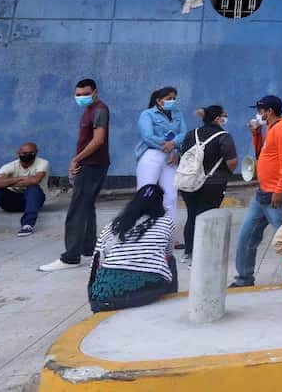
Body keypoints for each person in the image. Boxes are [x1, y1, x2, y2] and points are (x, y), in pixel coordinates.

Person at [40, 78, 111, 272]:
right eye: (78, 94)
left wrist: (76, 159)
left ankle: (71, 257)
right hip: (90, 163)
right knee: (87, 207)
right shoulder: (88, 111)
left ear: (95, 92)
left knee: (77, 209)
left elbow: (98, 140)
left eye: (85, 94)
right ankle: (89, 248)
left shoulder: (100, 110)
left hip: (92, 165)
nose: (81, 97)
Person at [231, 95, 282, 287]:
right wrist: (256, 134)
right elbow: (262, 155)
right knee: (247, 236)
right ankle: (244, 279)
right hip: (263, 193)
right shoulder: (271, 128)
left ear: (269, 112)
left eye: (260, 111)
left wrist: (279, 190)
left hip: (279, 194)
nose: (257, 115)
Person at [87, 184, 177, 313]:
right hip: (147, 289)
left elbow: (96, 262)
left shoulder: (112, 226)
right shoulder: (166, 222)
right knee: (170, 260)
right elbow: (168, 253)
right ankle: (171, 301)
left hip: (105, 295)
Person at [178, 105, 237, 264]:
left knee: (192, 215)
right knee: (207, 218)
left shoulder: (192, 134)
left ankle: (188, 252)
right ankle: (203, 255)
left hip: (189, 182)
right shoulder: (224, 137)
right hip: (213, 183)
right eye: (224, 115)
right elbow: (232, 162)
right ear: (217, 119)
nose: (225, 118)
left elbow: (183, 155)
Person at [0, 142, 50, 239]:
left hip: (35, 200)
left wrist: (7, 182)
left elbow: (35, 180)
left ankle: (27, 225)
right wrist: (19, 178)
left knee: (33, 188)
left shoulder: (42, 163)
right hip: (11, 202)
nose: (27, 155)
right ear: (18, 154)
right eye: (24, 153)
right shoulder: (10, 166)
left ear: (36, 152)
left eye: (31, 153)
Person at [135, 86, 186, 226]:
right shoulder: (147, 114)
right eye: (169, 98)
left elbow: (183, 134)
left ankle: (168, 231)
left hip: (171, 157)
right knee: (145, 193)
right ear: (158, 100)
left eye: (174, 98)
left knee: (171, 196)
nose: (172, 101)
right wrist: (167, 145)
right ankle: (141, 229)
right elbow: (147, 136)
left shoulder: (178, 114)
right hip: (152, 154)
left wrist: (174, 146)